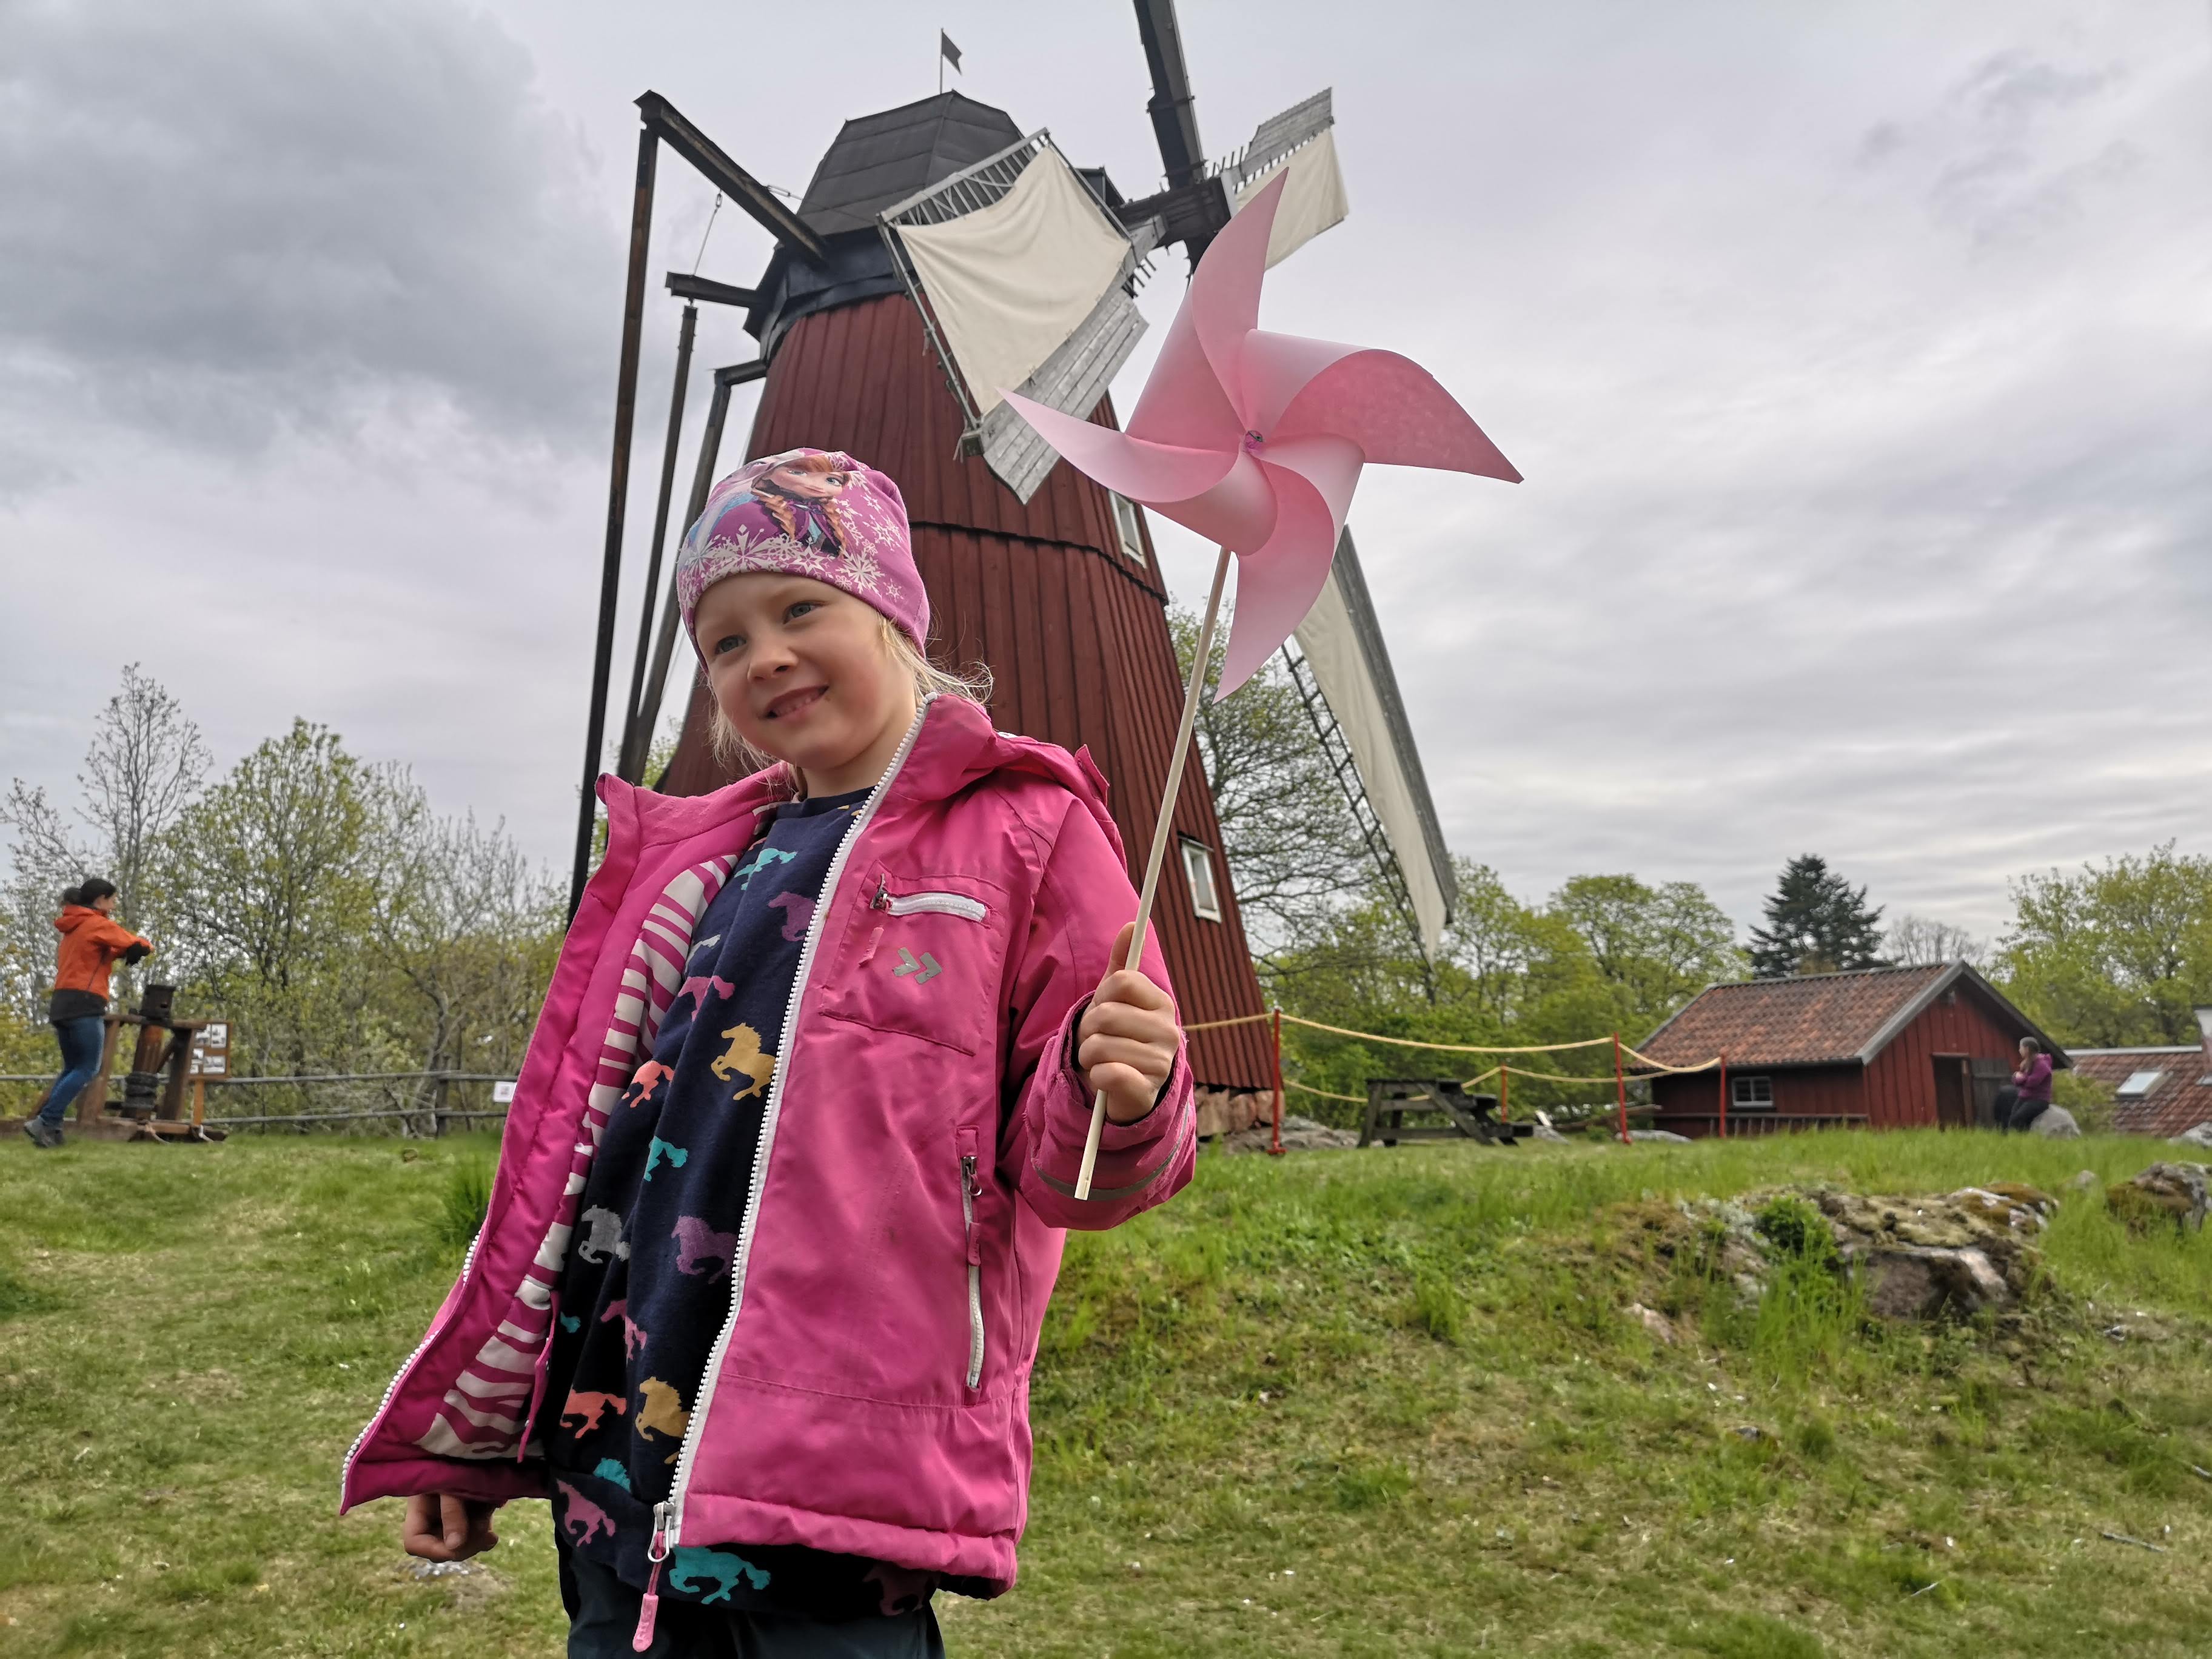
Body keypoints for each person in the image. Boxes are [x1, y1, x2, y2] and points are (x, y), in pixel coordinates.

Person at [344, 448, 1196, 1658]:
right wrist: (484, 1433)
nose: (767, 656)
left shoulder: (1028, 830)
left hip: (838, 1486)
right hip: (620, 1472)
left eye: (802, 608)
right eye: (726, 643)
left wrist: (1129, 1085)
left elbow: (1078, 1176)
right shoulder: (688, 867)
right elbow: (576, 1170)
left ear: (896, 614)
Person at [25, 878, 150, 1148]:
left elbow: (101, 952)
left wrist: (123, 952)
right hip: (86, 1003)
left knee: (72, 1067)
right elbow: (135, 942)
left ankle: (51, 1130)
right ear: (101, 899)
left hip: (61, 1003)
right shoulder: (97, 924)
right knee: (88, 1068)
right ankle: (46, 1120)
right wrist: (141, 947)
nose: (114, 905)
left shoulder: (74, 928)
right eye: (113, 899)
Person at [1996, 1037, 2054, 1132]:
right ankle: (2018, 1140)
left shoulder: (2042, 1065)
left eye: (2021, 1048)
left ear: (2027, 1049)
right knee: (2012, 1120)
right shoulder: (2027, 1063)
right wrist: (2018, 1077)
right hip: (2025, 1097)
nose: (2019, 1050)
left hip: (2039, 1099)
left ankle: (2023, 1139)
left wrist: (2020, 1078)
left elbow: (2032, 1082)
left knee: (2017, 1119)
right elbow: (2016, 1082)